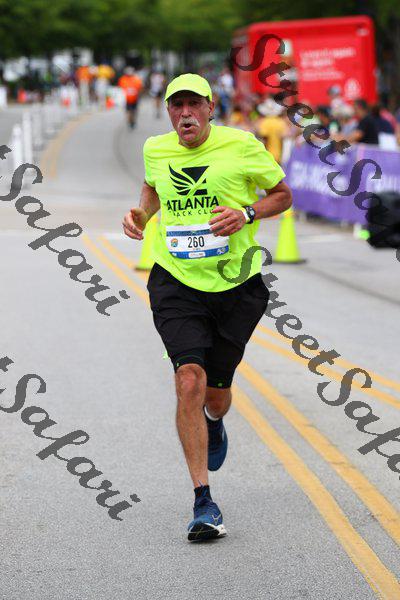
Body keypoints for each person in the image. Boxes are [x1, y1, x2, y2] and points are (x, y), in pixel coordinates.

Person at [122, 73, 292, 542]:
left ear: (211, 108)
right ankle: (203, 501)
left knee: (215, 396)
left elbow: (283, 195)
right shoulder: (156, 149)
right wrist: (141, 214)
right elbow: (153, 186)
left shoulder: (241, 146)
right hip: (176, 282)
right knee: (188, 379)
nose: (185, 114)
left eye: (194, 104)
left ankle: (214, 421)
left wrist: (247, 213)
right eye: (176, 106)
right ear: (168, 112)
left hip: (236, 286)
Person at [255, 97, 288, 163]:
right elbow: (284, 139)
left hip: (267, 156)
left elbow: (263, 139)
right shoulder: (281, 122)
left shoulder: (265, 122)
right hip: (278, 156)